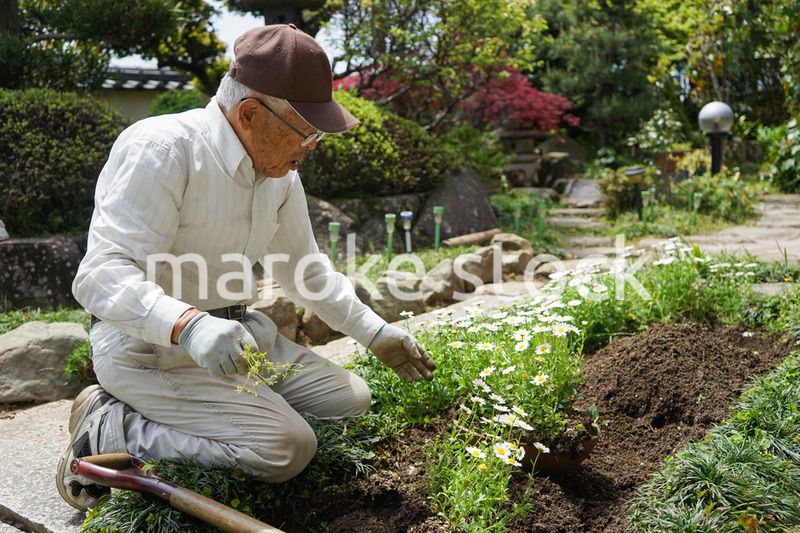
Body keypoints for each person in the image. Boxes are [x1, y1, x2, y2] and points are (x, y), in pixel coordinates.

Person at [57, 23, 436, 511]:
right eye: (307, 132)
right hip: (150, 350)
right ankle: (110, 425)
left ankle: (221, 410)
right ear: (251, 113)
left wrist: (374, 331)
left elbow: (306, 271)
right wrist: (188, 326)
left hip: (242, 337)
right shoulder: (162, 149)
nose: (310, 147)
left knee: (351, 402)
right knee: (286, 449)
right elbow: (101, 274)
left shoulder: (278, 175)